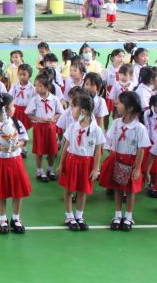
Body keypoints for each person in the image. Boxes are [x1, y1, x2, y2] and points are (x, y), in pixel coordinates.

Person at [0, 93, 31, 234]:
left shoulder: (16, 123)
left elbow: (23, 139)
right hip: (0, 162)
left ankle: (16, 218)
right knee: (1, 192)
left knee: (18, 191)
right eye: (12, 106)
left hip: (15, 161)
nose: (14, 108)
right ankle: (3, 219)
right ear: (4, 108)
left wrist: (18, 145)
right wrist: (1, 148)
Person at [99, 92, 149, 232]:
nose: (117, 104)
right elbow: (109, 141)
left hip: (132, 162)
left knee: (130, 190)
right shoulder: (116, 123)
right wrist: (113, 156)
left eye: (120, 103)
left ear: (130, 108)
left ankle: (128, 216)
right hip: (117, 159)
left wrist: (138, 168)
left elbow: (141, 149)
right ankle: (117, 214)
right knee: (118, 188)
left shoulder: (139, 128)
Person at [58, 94, 105, 231]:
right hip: (71, 161)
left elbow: (97, 151)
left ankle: (79, 216)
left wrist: (96, 168)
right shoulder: (73, 127)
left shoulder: (96, 130)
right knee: (68, 189)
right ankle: (69, 215)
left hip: (86, 163)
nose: (71, 110)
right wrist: (61, 164)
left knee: (82, 190)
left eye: (73, 107)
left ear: (83, 111)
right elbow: (66, 145)